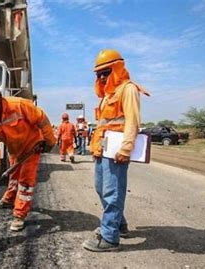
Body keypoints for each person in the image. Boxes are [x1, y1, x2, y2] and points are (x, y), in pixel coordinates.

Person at [82, 49, 149, 252]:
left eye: (106, 72)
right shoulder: (107, 95)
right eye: (98, 74)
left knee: (112, 192)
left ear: (117, 68)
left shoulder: (127, 89)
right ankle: (119, 224)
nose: (102, 77)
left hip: (117, 151)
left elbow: (132, 121)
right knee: (101, 189)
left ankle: (110, 237)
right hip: (103, 150)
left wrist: (126, 148)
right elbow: (103, 126)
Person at [0, 79, 56, 232]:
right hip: (14, 149)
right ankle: (9, 199)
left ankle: (20, 214)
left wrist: (50, 141)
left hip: (32, 146)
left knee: (25, 181)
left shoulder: (18, 105)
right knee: (14, 176)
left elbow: (42, 119)